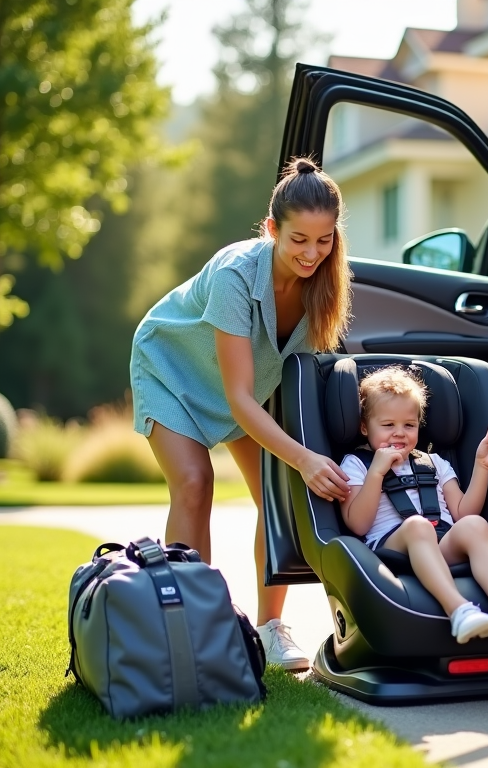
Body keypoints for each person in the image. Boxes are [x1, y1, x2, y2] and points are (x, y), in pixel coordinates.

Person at [130, 157, 354, 670]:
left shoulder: (328, 282)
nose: (312, 253)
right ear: (273, 228)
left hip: (249, 386)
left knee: (276, 502)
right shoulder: (235, 274)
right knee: (193, 483)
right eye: (298, 239)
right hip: (175, 370)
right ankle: (194, 631)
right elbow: (239, 399)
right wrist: (303, 458)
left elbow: (309, 377)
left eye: (323, 241)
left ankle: (272, 630)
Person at [339, 366, 488, 644]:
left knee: (475, 524)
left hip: (440, 542)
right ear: (364, 427)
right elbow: (357, 523)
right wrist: (376, 472)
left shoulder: (434, 463)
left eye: (409, 425)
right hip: (391, 549)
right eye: (388, 425)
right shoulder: (357, 464)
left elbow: (462, 513)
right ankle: (459, 610)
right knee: (418, 527)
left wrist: (481, 465)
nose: (399, 433)